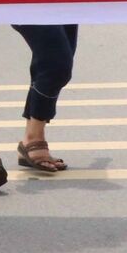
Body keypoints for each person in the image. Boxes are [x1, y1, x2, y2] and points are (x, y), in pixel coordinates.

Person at [12, 24, 77, 172]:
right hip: (28, 2)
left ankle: (29, 139)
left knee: (51, 59)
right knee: (57, 64)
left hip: (65, 2)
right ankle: (34, 137)